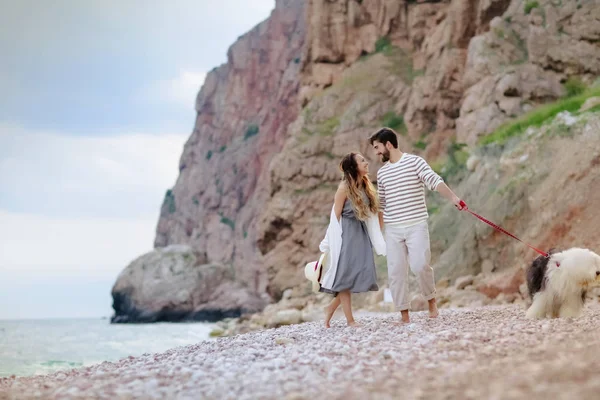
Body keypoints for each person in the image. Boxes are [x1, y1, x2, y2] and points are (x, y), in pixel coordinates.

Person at [369, 127, 465, 324]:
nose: (376, 152)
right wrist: (378, 231)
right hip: (393, 229)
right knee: (396, 272)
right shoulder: (383, 173)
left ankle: (431, 302)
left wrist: (454, 198)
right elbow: (382, 204)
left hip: (416, 224)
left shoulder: (415, 162)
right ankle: (404, 314)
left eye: (377, 147)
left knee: (421, 265)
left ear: (388, 144)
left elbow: (434, 180)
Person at [318, 152, 386, 328]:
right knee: (346, 277)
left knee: (361, 272)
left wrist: (379, 229)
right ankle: (350, 320)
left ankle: (330, 308)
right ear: (354, 166)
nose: (366, 162)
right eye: (362, 160)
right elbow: (335, 216)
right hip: (346, 235)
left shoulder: (364, 185)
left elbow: (374, 211)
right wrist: (331, 242)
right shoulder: (343, 188)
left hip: (361, 233)